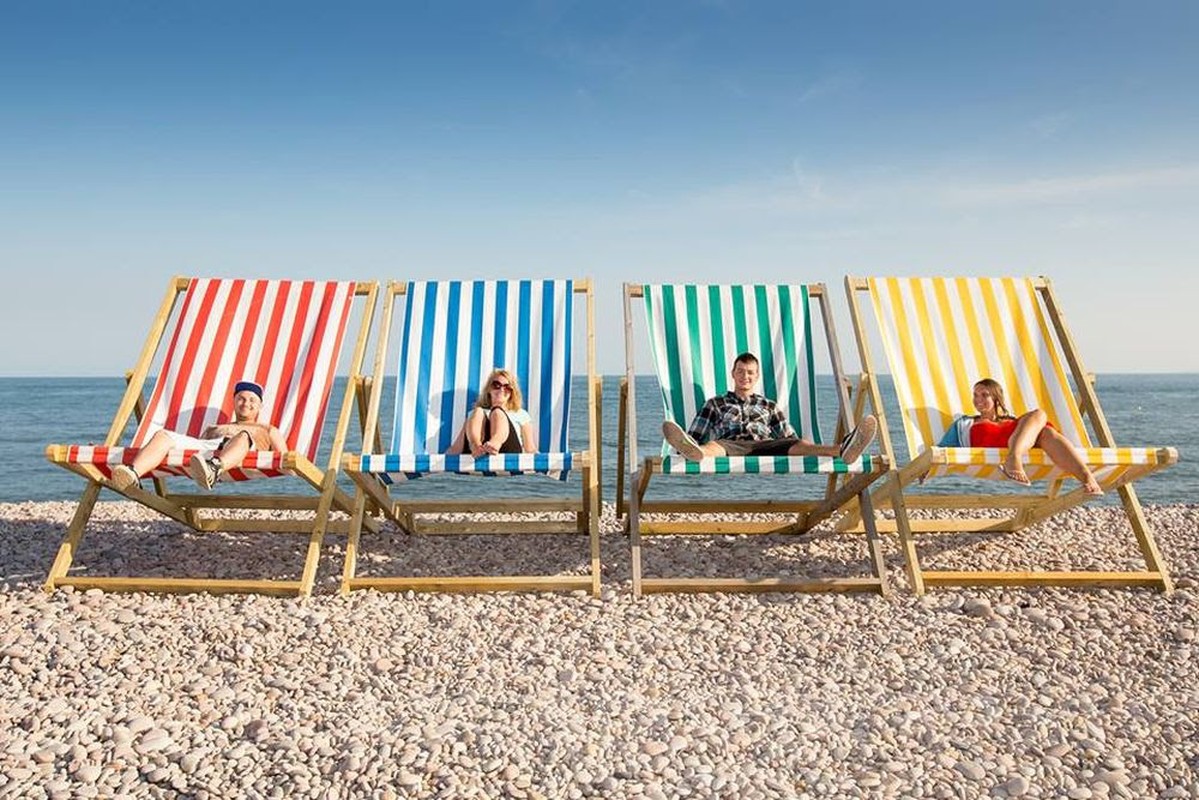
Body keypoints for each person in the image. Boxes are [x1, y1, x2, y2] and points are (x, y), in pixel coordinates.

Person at [661, 352, 878, 462]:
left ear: (756, 376)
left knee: (799, 443)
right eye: (740, 371)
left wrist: (796, 445)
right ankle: (696, 453)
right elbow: (695, 434)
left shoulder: (769, 405)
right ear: (733, 374)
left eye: (749, 372)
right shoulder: (716, 403)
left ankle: (843, 449)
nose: (744, 376)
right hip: (731, 445)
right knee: (711, 446)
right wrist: (688, 445)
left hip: (766, 445)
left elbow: (788, 437)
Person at [109, 380, 287, 492]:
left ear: (260, 406)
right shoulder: (214, 427)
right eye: (241, 398)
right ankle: (133, 474)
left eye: (252, 400)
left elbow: (286, 461)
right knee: (163, 435)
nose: (246, 403)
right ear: (233, 401)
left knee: (243, 436)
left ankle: (214, 469)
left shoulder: (268, 429)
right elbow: (196, 451)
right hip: (207, 453)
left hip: (242, 453)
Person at [939, 377, 1103, 496]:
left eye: (984, 395)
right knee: (1041, 419)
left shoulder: (1013, 422)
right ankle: (1014, 457)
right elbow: (942, 448)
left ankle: (1087, 478)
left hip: (1020, 441)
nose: (978, 399)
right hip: (992, 443)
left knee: (1046, 430)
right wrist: (926, 467)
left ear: (996, 398)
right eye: (975, 395)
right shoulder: (965, 423)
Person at [447, 368, 538, 456]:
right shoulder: (475, 414)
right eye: (496, 385)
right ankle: (475, 445)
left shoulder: (520, 414)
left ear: (512, 392)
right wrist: (435, 464)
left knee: (497, 411)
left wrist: (547, 464)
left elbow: (530, 448)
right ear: (489, 389)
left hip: (507, 453)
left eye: (507, 387)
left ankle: (495, 443)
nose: (502, 389)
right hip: (477, 453)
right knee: (478, 411)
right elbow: (456, 448)